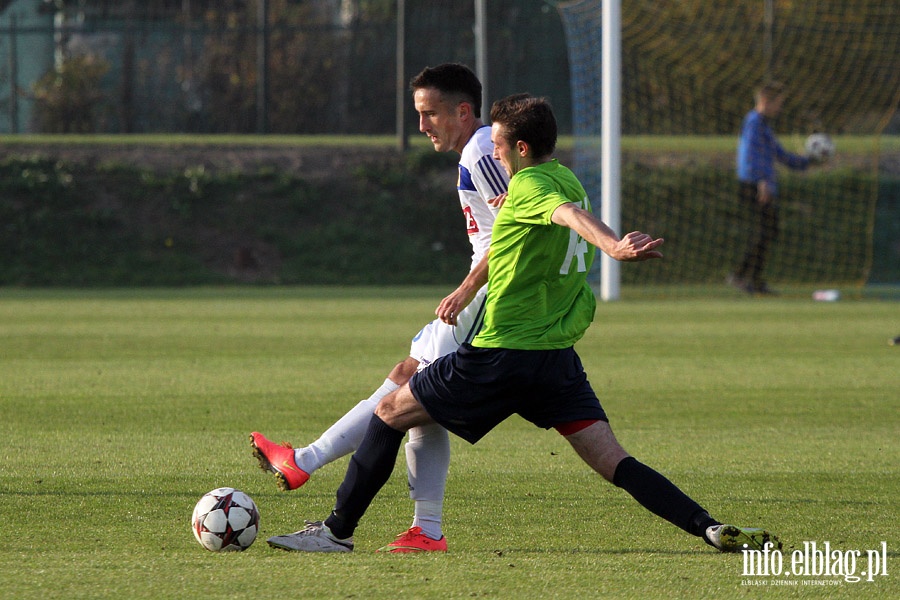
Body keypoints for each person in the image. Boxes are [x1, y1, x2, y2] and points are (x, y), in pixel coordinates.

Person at [254, 93, 782, 554]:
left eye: (501, 147)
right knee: (613, 459)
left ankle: (336, 532)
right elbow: (547, 221)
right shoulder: (568, 179)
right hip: (557, 362)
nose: (494, 154)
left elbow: (567, 218)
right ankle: (707, 526)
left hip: (502, 354)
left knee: (391, 408)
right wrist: (479, 274)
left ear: (522, 149)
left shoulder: (532, 189)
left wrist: (614, 247)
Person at [250, 63, 509, 553]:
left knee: (411, 391)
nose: (422, 125)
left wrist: (468, 288)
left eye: (429, 113)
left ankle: (304, 462)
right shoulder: (475, 151)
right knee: (417, 396)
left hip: (485, 298)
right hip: (483, 295)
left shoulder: (479, 150)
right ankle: (425, 530)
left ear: (463, 110)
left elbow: (517, 227)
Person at [730, 81, 812, 295]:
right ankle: (741, 276)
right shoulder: (754, 122)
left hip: (761, 184)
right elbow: (750, 155)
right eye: (778, 103)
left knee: (768, 231)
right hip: (755, 185)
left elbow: (780, 155)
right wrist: (761, 182)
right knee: (764, 231)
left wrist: (808, 161)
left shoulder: (763, 125)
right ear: (766, 101)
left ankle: (751, 279)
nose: (780, 108)